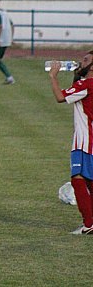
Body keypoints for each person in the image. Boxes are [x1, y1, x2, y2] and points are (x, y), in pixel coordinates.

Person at [49, 53, 93, 234]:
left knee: (78, 179)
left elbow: (60, 97)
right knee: (89, 182)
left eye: (85, 60)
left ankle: (89, 224)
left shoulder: (86, 84)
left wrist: (53, 76)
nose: (80, 62)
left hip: (85, 141)